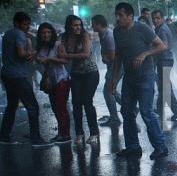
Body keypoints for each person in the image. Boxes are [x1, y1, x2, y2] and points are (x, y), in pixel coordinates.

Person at [111, 2, 169, 160]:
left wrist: (144, 54)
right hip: (129, 78)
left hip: (145, 76)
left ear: (130, 16)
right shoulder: (116, 31)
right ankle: (133, 147)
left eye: (121, 15)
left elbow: (162, 46)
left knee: (146, 112)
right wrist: (114, 79)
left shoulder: (142, 28)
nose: (117, 18)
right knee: (127, 112)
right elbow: (118, 57)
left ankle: (160, 146)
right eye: (116, 15)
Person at [0, 12, 53, 146]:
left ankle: (4, 135)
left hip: (6, 74)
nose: (27, 27)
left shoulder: (8, 34)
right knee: (33, 106)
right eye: (25, 24)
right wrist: (31, 52)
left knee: (12, 105)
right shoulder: (19, 34)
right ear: (17, 23)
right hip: (17, 76)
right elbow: (21, 53)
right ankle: (36, 138)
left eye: (28, 24)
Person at [58, 14, 100, 145]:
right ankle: (79, 133)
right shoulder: (64, 38)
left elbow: (85, 54)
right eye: (75, 25)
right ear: (69, 26)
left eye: (79, 25)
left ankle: (94, 131)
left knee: (87, 102)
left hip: (90, 73)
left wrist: (67, 55)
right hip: (75, 74)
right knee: (76, 103)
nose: (78, 27)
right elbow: (61, 53)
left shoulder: (84, 36)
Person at [36, 23, 71, 144]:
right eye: (44, 32)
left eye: (49, 32)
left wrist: (49, 59)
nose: (46, 35)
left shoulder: (57, 45)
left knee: (61, 107)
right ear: (40, 34)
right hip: (51, 81)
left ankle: (66, 134)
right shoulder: (40, 47)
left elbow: (65, 60)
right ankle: (61, 133)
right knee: (55, 107)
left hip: (61, 79)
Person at [151, 10, 177, 121]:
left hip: (164, 59)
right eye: (154, 18)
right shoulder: (161, 28)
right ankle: (160, 109)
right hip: (165, 59)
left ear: (162, 19)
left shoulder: (162, 30)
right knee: (163, 86)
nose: (155, 20)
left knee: (165, 87)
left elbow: (164, 46)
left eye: (157, 18)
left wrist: (150, 53)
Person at [91, 15, 122, 127]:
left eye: (93, 24)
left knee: (108, 91)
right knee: (111, 90)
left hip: (116, 66)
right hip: (112, 66)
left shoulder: (108, 36)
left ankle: (115, 119)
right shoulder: (102, 34)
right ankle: (131, 109)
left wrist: (104, 57)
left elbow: (113, 56)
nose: (91, 26)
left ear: (99, 25)